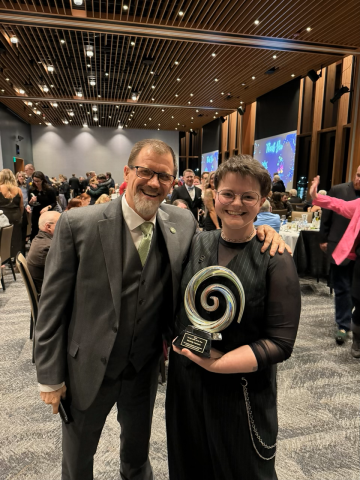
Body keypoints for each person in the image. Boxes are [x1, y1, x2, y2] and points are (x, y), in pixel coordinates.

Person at [34, 139, 286, 480]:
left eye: (164, 176)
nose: (154, 183)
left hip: (145, 368)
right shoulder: (78, 224)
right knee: (78, 462)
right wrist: (50, 375)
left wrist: (262, 230)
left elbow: (224, 238)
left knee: (137, 457)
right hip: (87, 370)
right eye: (145, 172)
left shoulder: (181, 224)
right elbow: (51, 306)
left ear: (173, 183)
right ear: (127, 172)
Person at [166, 155, 301, 480]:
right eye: (228, 194)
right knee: (189, 467)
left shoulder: (275, 257)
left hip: (241, 393)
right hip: (187, 388)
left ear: (262, 201)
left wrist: (215, 364)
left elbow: (280, 343)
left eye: (248, 196)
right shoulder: (198, 241)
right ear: (214, 193)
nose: (236, 203)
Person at [310, 174, 360, 357]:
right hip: (344, 251)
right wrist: (316, 196)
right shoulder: (348, 196)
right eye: (358, 174)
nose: (359, 178)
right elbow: (337, 205)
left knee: (357, 296)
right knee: (344, 290)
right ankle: (345, 326)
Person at [27, 211, 61, 293]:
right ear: (48, 226)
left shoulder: (40, 239)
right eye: (61, 223)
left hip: (51, 289)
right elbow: (66, 271)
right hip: (52, 296)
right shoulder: (47, 248)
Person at [27, 171, 57, 240]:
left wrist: (47, 207)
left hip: (47, 214)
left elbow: (54, 203)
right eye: (34, 181)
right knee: (35, 231)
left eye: (38, 181)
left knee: (46, 232)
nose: (36, 183)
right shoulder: (32, 189)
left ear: (42, 180)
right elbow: (30, 203)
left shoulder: (49, 190)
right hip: (36, 213)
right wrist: (31, 201)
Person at [0, 169, 24, 257]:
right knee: (16, 238)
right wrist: (20, 215)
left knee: (3, 239)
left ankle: (3, 259)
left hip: (2, 217)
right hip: (16, 216)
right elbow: (21, 206)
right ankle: (16, 260)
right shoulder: (18, 189)